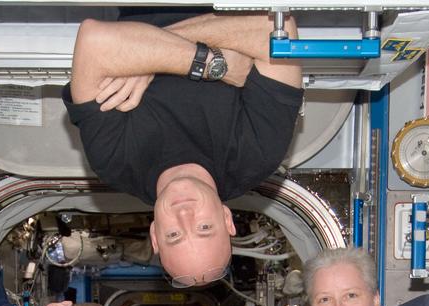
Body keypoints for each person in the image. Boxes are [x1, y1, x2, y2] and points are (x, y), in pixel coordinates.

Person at [64, 13, 303, 287]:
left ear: (155, 236)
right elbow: (276, 26)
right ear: (227, 220)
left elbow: (93, 40)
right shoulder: (257, 154)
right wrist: (138, 53)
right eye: (204, 228)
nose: (184, 215)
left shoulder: (115, 163)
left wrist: (194, 63)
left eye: (174, 235)